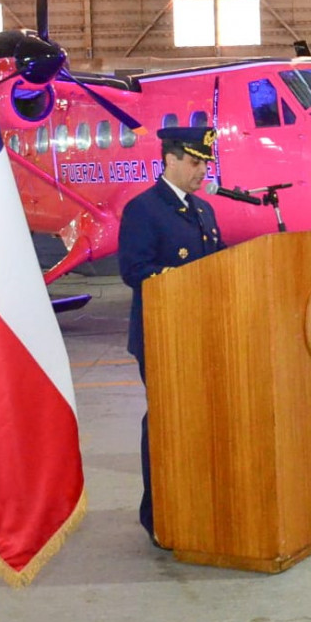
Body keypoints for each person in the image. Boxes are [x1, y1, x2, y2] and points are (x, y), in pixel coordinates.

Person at [118, 126, 227, 548]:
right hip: (163, 336)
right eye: (195, 162)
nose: (202, 171)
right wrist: (185, 281)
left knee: (201, 424)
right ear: (170, 159)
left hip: (203, 334)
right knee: (167, 423)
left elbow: (219, 263)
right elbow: (134, 270)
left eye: (205, 164)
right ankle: (159, 514)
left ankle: (198, 505)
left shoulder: (203, 210)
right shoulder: (144, 209)